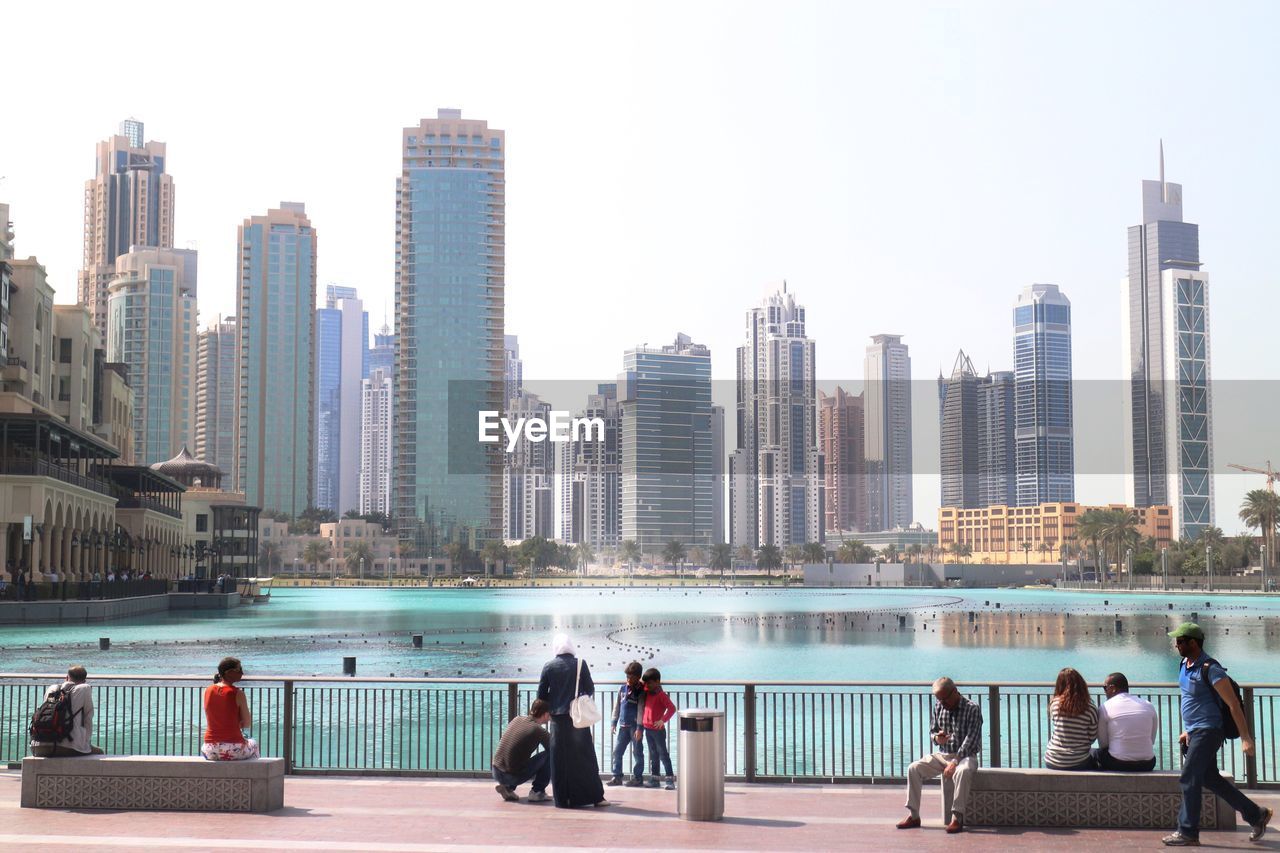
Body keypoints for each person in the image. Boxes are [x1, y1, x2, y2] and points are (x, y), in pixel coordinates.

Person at [1162, 623, 1271, 846]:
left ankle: (1188, 832)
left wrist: (1246, 738)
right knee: (1209, 778)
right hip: (1196, 732)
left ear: (1194, 643)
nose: (1177, 645)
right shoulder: (1184, 664)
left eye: (1181, 641)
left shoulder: (1211, 669)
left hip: (1209, 731)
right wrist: (1188, 730)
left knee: (1189, 777)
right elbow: (1192, 701)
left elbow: (1233, 705)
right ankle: (1255, 814)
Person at [898, 676, 982, 834]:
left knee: (963, 771)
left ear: (955, 692)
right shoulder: (939, 706)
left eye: (944, 700)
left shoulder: (972, 708)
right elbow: (933, 732)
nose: (942, 704)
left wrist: (955, 762)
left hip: (965, 756)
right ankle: (914, 815)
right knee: (913, 769)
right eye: (939, 700)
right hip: (943, 754)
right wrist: (937, 738)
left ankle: (957, 817)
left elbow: (971, 739)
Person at [536, 634, 609, 808]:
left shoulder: (548, 666)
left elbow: (541, 695)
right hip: (577, 720)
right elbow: (590, 688)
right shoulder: (580, 664)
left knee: (559, 760)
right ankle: (595, 797)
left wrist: (553, 705)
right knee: (585, 758)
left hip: (557, 721)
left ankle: (562, 799)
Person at [29, 665, 104, 756]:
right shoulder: (84, 688)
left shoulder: (53, 688)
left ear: (67, 677)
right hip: (68, 747)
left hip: (38, 746)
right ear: (84, 680)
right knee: (100, 752)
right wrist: (85, 743)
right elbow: (88, 719)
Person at [1092, 672, 1158, 771]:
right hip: (1148, 763)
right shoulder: (1148, 705)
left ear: (1113, 688)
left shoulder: (1105, 707)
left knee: (1094, 753)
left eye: (1105, 687)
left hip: (1119, 763)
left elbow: (1103, 744)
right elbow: (1152, 740)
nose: (1105, 691)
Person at [492, 699, 552, 802]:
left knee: (517, 760)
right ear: (546, 714)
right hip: (510, 775)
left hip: (495, 770)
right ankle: (537, 792)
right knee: (550, 755)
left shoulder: (517, 719)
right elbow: (554, 748)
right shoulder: (538, 730)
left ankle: (508, 788)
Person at [201, 657, 260, 760]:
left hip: (209, 748)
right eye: (239, 669)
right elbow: (247, 723)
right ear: (230, 672)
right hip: (232, 747)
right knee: (254, 744)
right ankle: (250, 775)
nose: (242, 673)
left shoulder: (207, 690)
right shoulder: (238, 693)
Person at [1043, 667, 1098, 771]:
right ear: (1082, 685)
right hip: (1078, 761)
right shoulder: (1090, 708)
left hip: (1052, 759)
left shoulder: (1054, 705)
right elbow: (1092, 737)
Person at [608, 661, 645, 787]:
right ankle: (617, 776)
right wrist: (613, 722)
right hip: (623, 726)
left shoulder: (641, 691)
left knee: (637, 752)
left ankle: (638, 777)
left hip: (635, 727)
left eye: (631, 677)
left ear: (638, 677)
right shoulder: (622, 689)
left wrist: (640, 728)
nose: (628, 679)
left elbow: (641, 710)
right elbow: (616, 707)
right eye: (627, 676)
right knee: (617, 752)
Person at [639, 668, 676, 789]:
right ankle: (655, 778)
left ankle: (669, 779)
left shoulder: (661, 695)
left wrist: (663, 720)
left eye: (650, 683)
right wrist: (643, 681)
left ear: (657, 681)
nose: (647, 685)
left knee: (663, 754)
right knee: (653, 754)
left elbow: (672, 708)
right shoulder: (647, 691)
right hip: (648, 729)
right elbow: (640, 684)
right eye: (646, 683)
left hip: (658, 730)